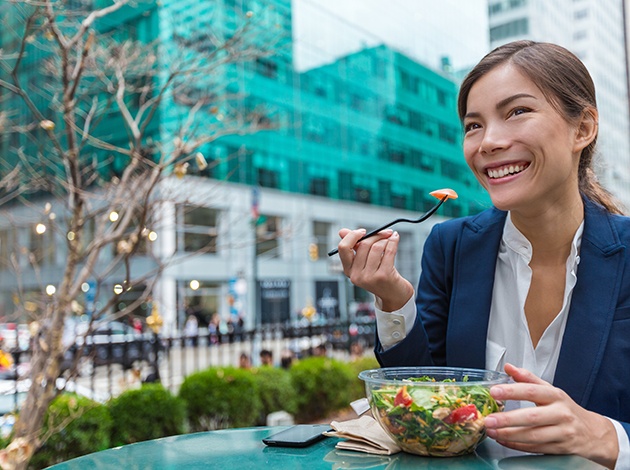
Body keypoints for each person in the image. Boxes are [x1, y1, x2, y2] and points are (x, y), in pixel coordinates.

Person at [335, 40, 629, 469]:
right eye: (474, 125)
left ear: (582, 128)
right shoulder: (449, 246)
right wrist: (393, 298)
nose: (488, 142)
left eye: (517, 112)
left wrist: (607, 437)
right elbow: (425, 394)